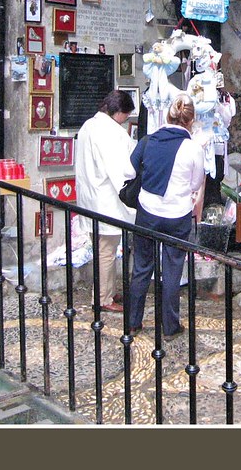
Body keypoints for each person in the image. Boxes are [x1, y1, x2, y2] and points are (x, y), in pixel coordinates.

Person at [126, 92, 206, 340]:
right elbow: (196, 184)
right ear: (190, 121)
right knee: (172, 269)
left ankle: (133, 323)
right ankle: (170, 327)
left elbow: (130, 169)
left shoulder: (147, 141)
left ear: (167, 116)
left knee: (141, 267)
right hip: (177, 215)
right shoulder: (193, 148)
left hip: (147, 211)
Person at [74, 90, 138, 313]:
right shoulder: (111, 132)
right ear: (119, 112)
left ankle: (107, 290)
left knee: (101, 249)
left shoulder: (88, 126)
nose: (126, 120)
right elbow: (121, 168)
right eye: (126, 115)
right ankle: (102, 298)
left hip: (90, 198)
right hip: (106, 200)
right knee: (106, 252)